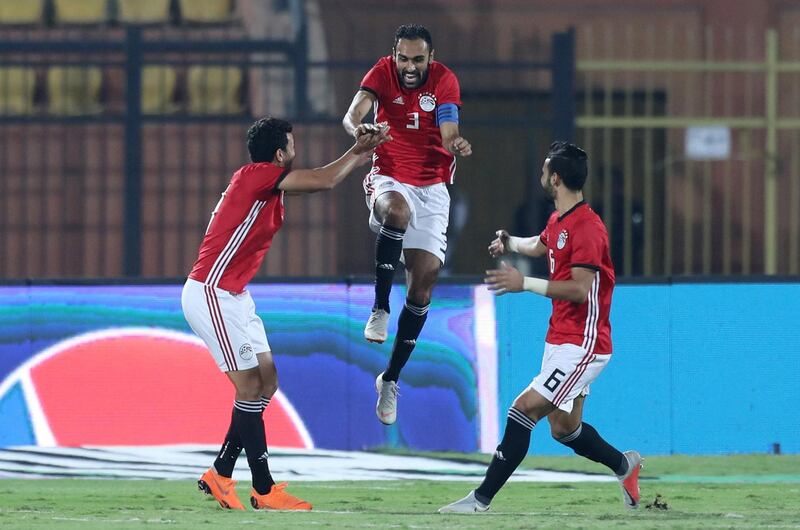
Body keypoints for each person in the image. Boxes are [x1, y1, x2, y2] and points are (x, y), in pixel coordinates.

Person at [182, 117, 391, 511]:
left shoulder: (260, 181)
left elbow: (325, 176)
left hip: (235, 296)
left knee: (267, 382)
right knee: (248, 388)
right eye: (292, 146)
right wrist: (358, 152)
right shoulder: (261, 175)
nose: (295, 152)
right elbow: (324, 180)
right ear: (280, 154)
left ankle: (221, 472)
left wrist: (360, 154)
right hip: (211, 292)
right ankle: (264, 488)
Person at [439, 141, 642, 513]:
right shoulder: (559, 220)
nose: (541, 175)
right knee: (564, 429)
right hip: (561, 338)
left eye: (545, 169)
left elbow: (581, 290)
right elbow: (543, 244)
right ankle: (624, 466)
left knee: (523, 409)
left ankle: (480, 500)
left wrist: (525, 284)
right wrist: (510, 242)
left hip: (585, 344)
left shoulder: (589, 229)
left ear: (557, 177)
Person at [342, 23, 472, 425]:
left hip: (433, 187)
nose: (409, 66)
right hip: (390, 176)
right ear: (393, 54)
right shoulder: (380, 73)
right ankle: (379, 306)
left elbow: (448, 126)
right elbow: (353, 113)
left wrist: (454, 143)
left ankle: (390, 379)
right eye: (403, 58)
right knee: (396, 213)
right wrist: (358, 129)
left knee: (424, 283)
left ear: (430, 58)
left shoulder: (445, 80)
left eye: (418, 59)